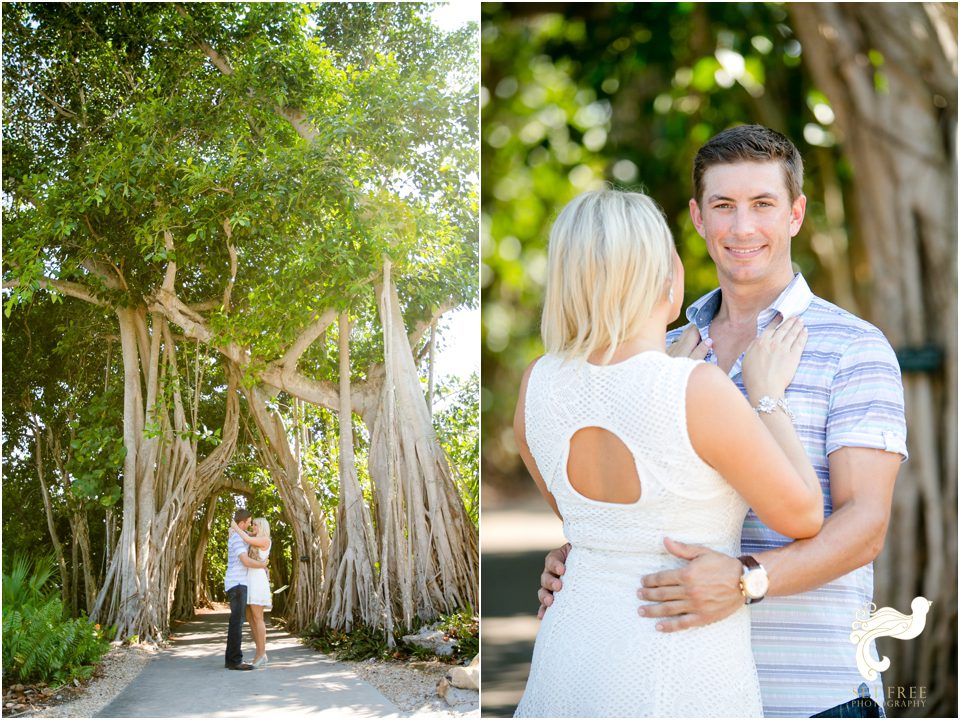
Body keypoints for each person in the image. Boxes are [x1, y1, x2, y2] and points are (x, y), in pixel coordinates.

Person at [536, 125, 908, 718]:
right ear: (698, 217)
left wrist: (747, 579)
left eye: (763, 204)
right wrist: (586, 550)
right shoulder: (662, 354)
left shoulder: (853, 348)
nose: (742, 227)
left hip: (809, 692)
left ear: (795, 213)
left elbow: (865, 525)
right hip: (677, 680)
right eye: (723, 206)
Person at [513, 187, 825, 717]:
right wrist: (766, 396)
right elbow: (804, 515)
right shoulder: (697, 390)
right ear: (669, 276)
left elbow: (583, 521)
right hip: (675, 660)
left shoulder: (536, 383)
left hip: (568, 656)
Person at [224, 508, 268, 671]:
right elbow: (245, 561)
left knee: (238, 620)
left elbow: (250, 541)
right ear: (242, 522)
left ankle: (232, 659)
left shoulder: (243, 538)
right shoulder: (237, 538)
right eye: (249, 522)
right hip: (237, 583)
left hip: (241, 583)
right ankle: (235, 660)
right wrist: (263, 565)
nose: (250, 526)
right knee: (237, 621)